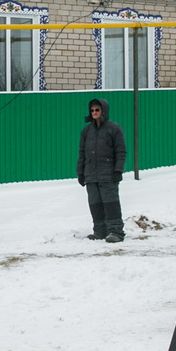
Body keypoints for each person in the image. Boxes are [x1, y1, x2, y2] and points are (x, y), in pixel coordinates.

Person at [77, 97, 128, 243]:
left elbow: (121, 152)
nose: (94, 112)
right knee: (95, 204)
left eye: (97, 110)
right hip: (91, 175)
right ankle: (99, 231)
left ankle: (116, 231)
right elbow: (82, 153)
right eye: (92, 110)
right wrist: (80, 172)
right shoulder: (86, 131)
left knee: (110, 203)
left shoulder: (114, 129)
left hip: (108, 175)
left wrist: (118, 170)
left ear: (103, 110)